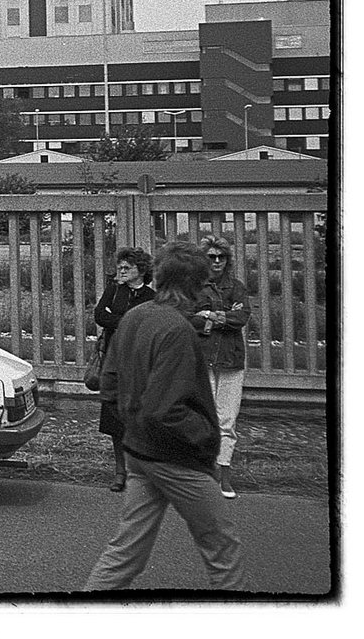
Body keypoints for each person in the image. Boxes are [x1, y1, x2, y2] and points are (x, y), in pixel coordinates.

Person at [84, 240, 248, 590]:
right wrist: (206, 438)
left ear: (158, 276)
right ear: (196, 285)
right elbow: (166, 409)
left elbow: (109, 384)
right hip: (177, 457)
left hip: (138, 453)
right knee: (223, 548)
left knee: (125, 553)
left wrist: (132, 422)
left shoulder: (134, 317)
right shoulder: (177, 330)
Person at [93, 247, 156, 492]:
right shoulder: (114, 290)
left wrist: (117, 319)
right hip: (113, 361)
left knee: (137, 419)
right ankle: (120, 472)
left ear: (141, 270)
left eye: (126, 268)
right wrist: (127, 321)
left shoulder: (150, 297)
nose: (121, 271)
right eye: (119, 267)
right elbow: (100, 315)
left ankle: (139, 471)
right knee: (114, 421)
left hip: (139, 365)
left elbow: (148, 325)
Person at [195, 233, 250, 499]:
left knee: (227, 419)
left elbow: (241, 316)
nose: (217, 261)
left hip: (230, 359)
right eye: (211, 257)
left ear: (227, 260)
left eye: (221, 257)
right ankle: (205, 472)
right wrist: (221, 317)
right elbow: (187, 316)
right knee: (204, 416)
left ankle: (224, 474)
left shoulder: (236, 287)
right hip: (203, 359)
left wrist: (211, 317)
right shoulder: (194, 286)